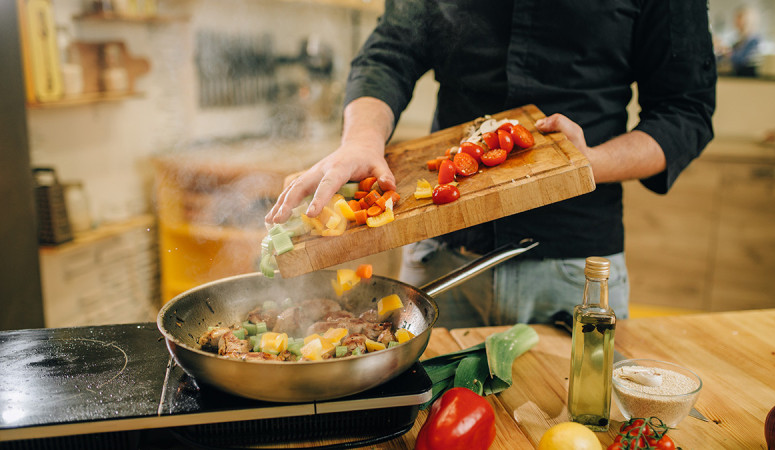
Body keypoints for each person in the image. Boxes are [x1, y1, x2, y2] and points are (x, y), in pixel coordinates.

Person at [265, 1, 717, 328]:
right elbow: (390, 52)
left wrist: (587, 164)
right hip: (440, 254)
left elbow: (685, 110)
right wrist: (361, 139)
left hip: (573, 269)